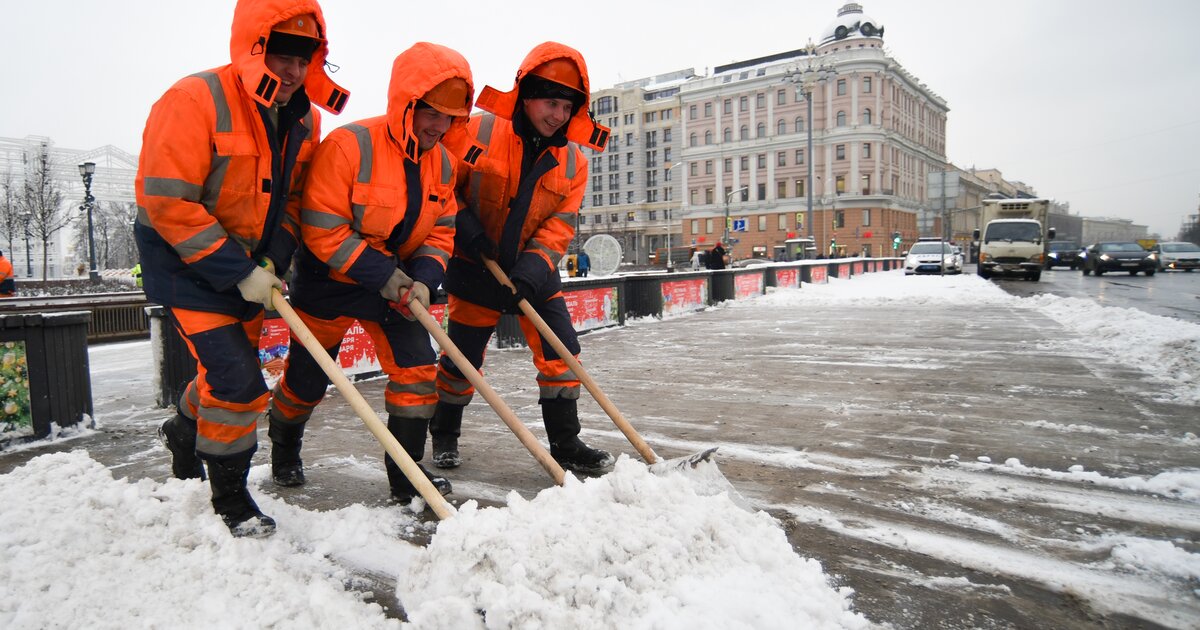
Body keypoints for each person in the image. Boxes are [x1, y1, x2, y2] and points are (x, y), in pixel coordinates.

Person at [135, 0, 349, 537]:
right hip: (186, 263)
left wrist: (273, 258)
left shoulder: (305, 115)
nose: (293, 69)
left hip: (251, 264)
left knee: (220, 375)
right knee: (239, 382)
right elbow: (168, 203)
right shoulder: (193, 99)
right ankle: (230, 496)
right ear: (253, 47)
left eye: (305, 58)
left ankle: (184, 430)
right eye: (282, 54)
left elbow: (295, 199)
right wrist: (238, 271)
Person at [264, 42, 472, 503]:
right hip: (330, 283)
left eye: (450, 118)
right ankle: (285, 448)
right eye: (431, 113)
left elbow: (442, 229)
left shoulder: (443, 164)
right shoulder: (349, 145)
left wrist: (422, 278)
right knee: (306, 381)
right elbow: (322, 227)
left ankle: (407, 476)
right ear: (407, 103)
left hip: (396, 288)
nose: (439, 127)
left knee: (418, 373)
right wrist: (389, 276)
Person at [430, 42, 614, 474]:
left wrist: (533, 270)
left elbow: (559, 224)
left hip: (535, 272)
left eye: (567, 107)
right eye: (551, 103)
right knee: (463, 359)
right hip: (476, 265)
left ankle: (565, 444)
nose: (558, 115)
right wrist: (467, 230)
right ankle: (444, 436)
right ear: (526, 96)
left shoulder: (573, 161)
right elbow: (441, 186)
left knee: (562, 353)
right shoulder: (477, 131)